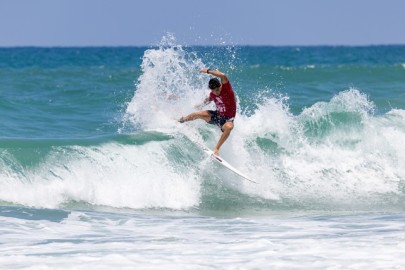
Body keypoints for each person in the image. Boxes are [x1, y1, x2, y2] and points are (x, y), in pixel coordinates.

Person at [179, 68, 236, 156]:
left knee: (229, 126)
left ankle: (216, 149)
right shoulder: (212, 94)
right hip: (217, 116)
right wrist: (199, 106)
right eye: (213, 91)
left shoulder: (226, 89)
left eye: (217, 90)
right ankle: (181, 121)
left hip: (227, 120)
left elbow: (223, 76)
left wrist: (208, 71)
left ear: (220, 86)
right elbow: (207, 100)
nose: (216, 92)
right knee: (196, 114)